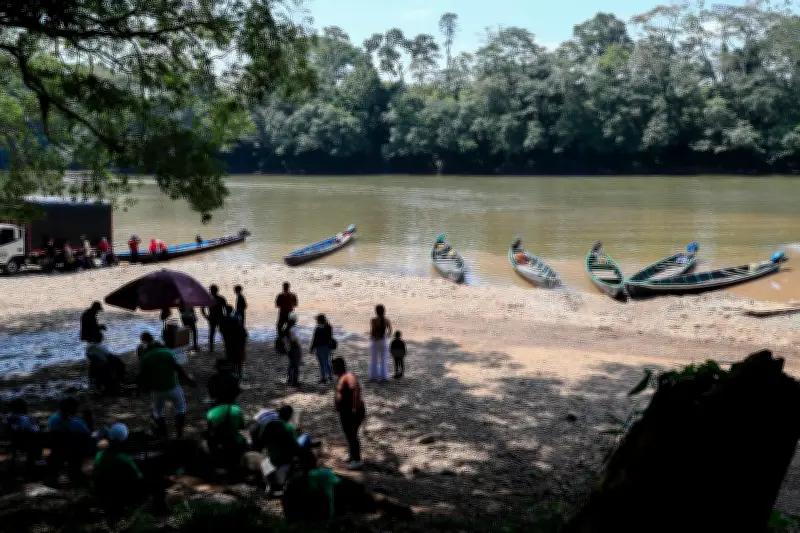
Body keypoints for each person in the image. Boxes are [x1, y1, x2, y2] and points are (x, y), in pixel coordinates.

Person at [92, 423, 169, 517]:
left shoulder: (99, 455)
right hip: (125, 492)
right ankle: (161, 512)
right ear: (124, 441)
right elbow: (138, 478)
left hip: (107, 489)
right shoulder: (125, 460)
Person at [138, 332, 196, 439]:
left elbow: (142, 375)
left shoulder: (145, 357)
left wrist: (142, 388)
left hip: (156, 389)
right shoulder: (168, 352)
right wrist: (188, 380)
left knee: (158, 412)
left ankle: (164, 435)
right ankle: (179, 433)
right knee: (180, 407)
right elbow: (177, 368)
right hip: (173, 386)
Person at [47, 397, 94, 484]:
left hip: (58, 451)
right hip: (75, 453)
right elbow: (88, 434)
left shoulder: (52, 420)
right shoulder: (77, 424)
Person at [332, 358, 365, 470]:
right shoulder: (341, 377)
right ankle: (352, 455)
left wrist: (354, 408)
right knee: (348, 434)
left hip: (352, 412)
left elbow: (355, 390)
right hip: (345, 412)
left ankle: (357, 460)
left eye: (335, 366)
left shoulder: (348, 376)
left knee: (352, 435)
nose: (333, 369)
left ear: (341, 366)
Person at [1, 398, 43, 472]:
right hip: (26, 444)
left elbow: (5, 431)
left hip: (13, 443)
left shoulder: (8, 418)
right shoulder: (25, 418)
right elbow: (36, 430)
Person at [205, 400, 248, 470]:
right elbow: (243, 427)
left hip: (220, 445)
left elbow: (210, 431)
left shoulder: (210, 413)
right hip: (236, 444)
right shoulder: (236, 409)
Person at [220, 305, 247, 378]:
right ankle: (240, 373)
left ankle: (233, 372)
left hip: (229, 341)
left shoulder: (224, 319)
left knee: (230, 357)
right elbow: (244, 333)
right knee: (239, 358)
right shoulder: (236, 319)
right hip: (238, 342)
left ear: (225, 310)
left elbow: (221, 330)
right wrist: (243, 342)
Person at [368, 305, 392, 383]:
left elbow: (372, 331)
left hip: (375, 340)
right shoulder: (387, 320)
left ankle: (373, 376)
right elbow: (390, 331)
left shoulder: (373, 320)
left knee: (374, 359)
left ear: (376, 311)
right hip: (383, 340)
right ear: (384, 311)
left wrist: (372, 337)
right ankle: (384, 377)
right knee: (383, 359)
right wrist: (386, 336)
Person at [201, 285, 227, 353]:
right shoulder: (221, 298)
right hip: (219, 318)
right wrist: (226, 316)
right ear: (217, 290)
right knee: (222, 333)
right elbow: (226, 308)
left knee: (213, 333)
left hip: (213, 318)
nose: (211, 291)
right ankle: (225, 346)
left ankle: (211, 348)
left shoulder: (208, 298)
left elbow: (202, 308)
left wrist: (206, 316)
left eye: (211, 290)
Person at [310, 314, 334, 384]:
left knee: (321, 363)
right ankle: (329, 377)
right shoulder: (328, 327)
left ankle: (324, 378)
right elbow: (330, 337)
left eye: (317, 319)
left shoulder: (317, 329)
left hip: (319, 347)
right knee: (326, 362)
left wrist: (312, 348)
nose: (316, 321)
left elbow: (314, 339)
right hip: (327, 347)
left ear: (320, 320)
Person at [283, 313, 302, 386]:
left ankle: (289, 379)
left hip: (289, 347)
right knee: (296, 365)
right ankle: (295, 381)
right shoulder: (295, 328)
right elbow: (296, 338)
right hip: (295, 347)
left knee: (291, 364)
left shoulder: (286, 327)